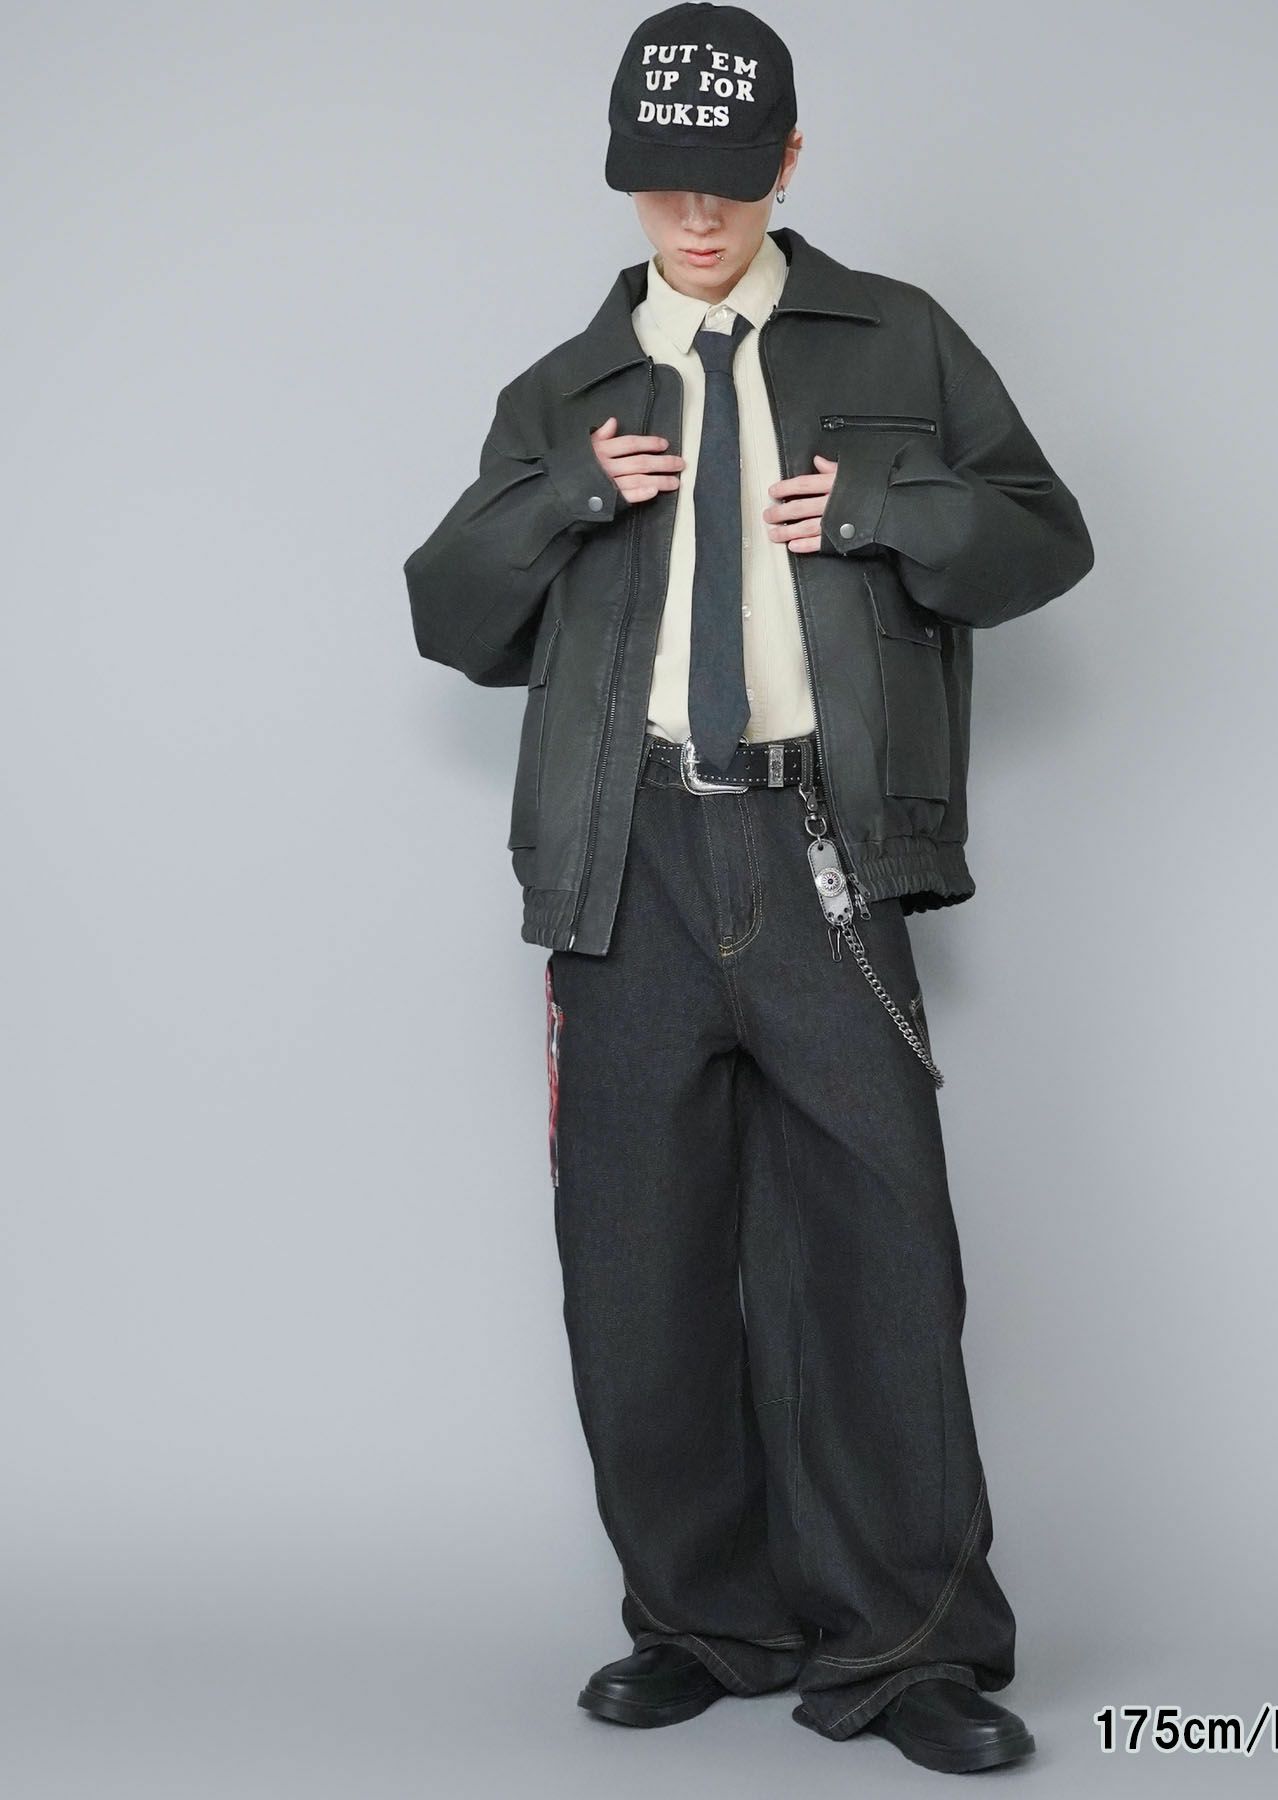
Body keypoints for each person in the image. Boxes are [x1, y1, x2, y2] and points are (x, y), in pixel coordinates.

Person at [403, 1, 1094, 1774]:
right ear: (625, 180)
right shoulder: (565, 392)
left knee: (880, 1254)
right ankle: (702, 1622)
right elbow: (450, 619)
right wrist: (559, 500)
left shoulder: (899, 340)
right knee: (636, 1265)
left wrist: (880, 504)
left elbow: (1044, 539)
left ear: (787, 161)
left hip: (821, 847)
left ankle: (910, 1650)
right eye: (662, 184)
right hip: (622, 859)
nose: (695, 217)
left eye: (726, 178)